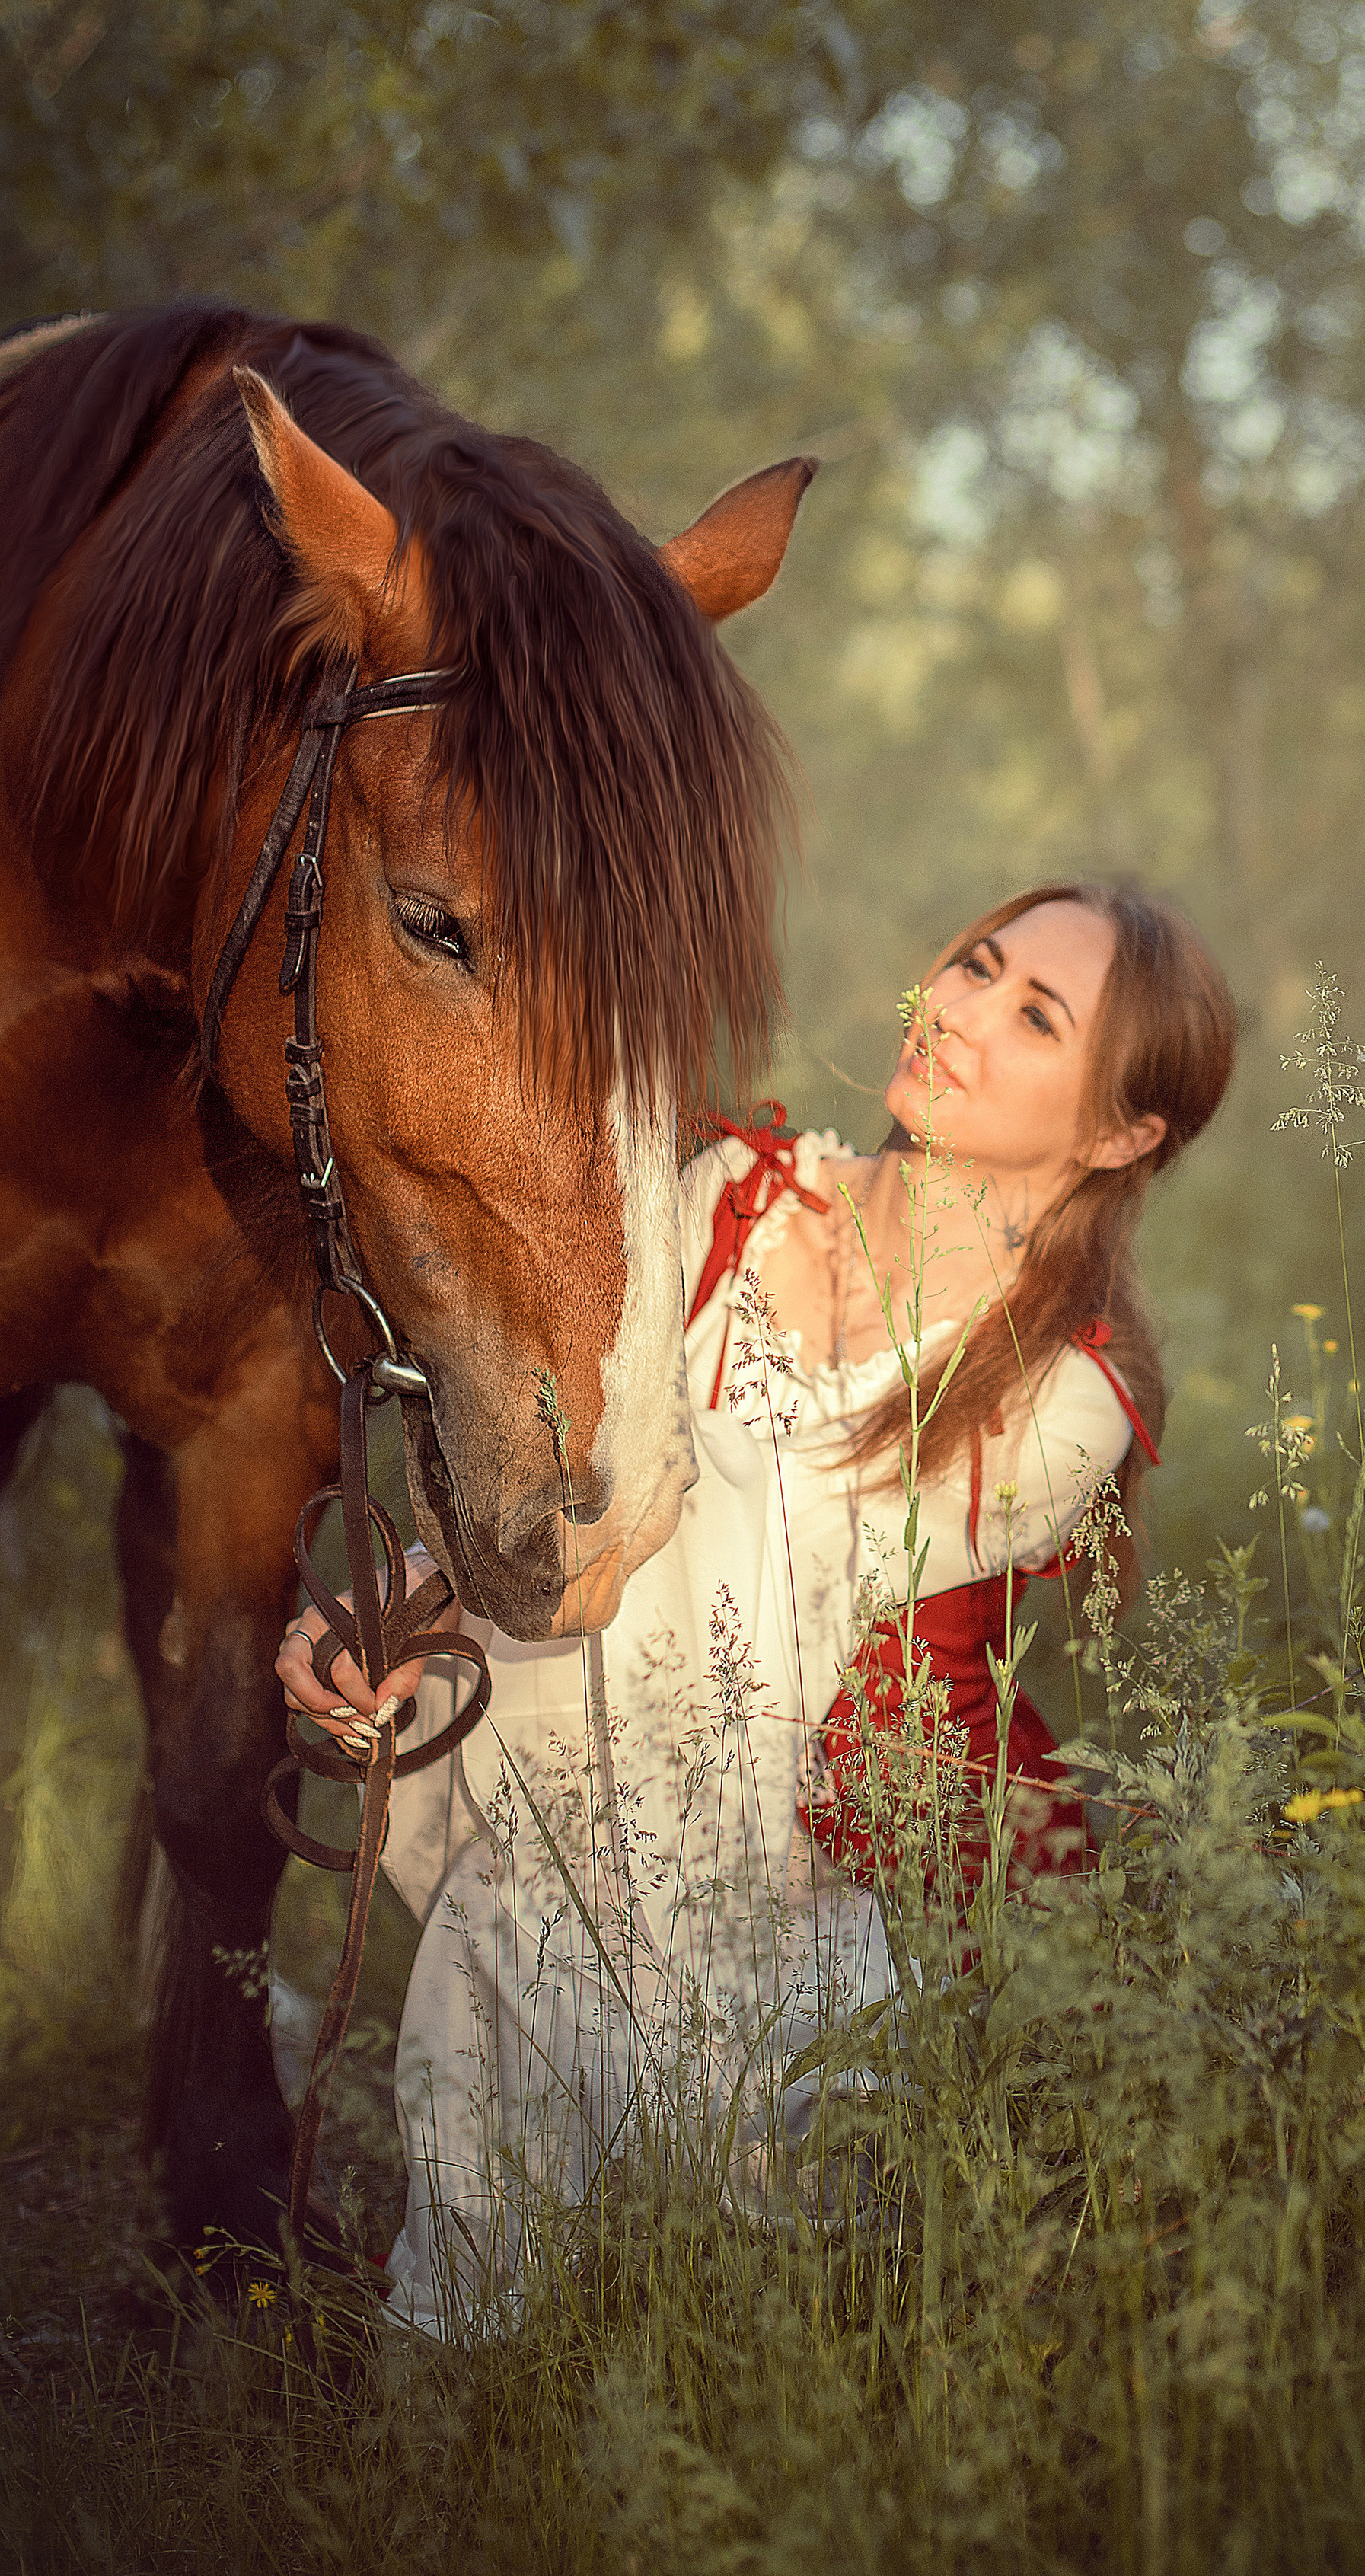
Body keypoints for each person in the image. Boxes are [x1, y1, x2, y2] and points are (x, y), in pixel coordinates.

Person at [276, 880, 1236, 2332]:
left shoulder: (1068, 1394)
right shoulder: (725, 1195)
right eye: (971, 964)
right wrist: (405, 1606)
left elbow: (786, 1591)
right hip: (575, 1781)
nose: (959, 1012)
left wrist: (462, 1585)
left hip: (803, 1875)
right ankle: (469, 2312)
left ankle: (506, 2284)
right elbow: (559, 1470)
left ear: (1122, 1132)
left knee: (770, 2245)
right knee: (528, 1903)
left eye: (1034, 1014)